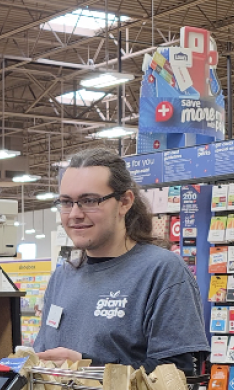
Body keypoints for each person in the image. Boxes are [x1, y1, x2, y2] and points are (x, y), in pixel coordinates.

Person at [33, 147, 208, 374]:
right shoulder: (62, 277)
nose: (74, 214)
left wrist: (89, 368)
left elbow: (179, 377)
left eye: (89, 201)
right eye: (66, 202)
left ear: (124, 202)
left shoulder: (161, 271)